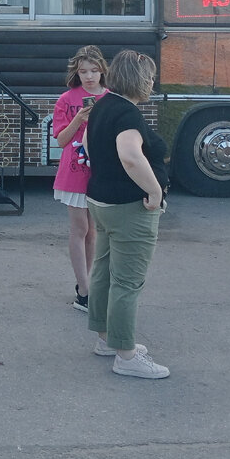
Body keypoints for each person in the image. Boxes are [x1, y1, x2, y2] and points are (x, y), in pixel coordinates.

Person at [83, 50, 170, 379]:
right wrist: (155, 191)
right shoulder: (128, 115)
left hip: (100, 202)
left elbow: (90, 148)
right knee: (128, 281)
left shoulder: (102, 105)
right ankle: (126, 354)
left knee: (104, 271)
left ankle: (107, 338)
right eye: (149, 76)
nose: (152, 82)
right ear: (138, 79)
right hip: (128, 208)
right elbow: (131, 157)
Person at [51, 45, 110, 311]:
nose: (89, 76)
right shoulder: (66, 99)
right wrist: (78, 119)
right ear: (76, 72)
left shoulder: (111, 98)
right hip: (74, 171)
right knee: (80, 229)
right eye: (83, 71)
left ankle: (88, 284)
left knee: (94, 231)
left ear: (102, 71)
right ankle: (84, 290)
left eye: (94, 70)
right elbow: (62, 140)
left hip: (101, 171)